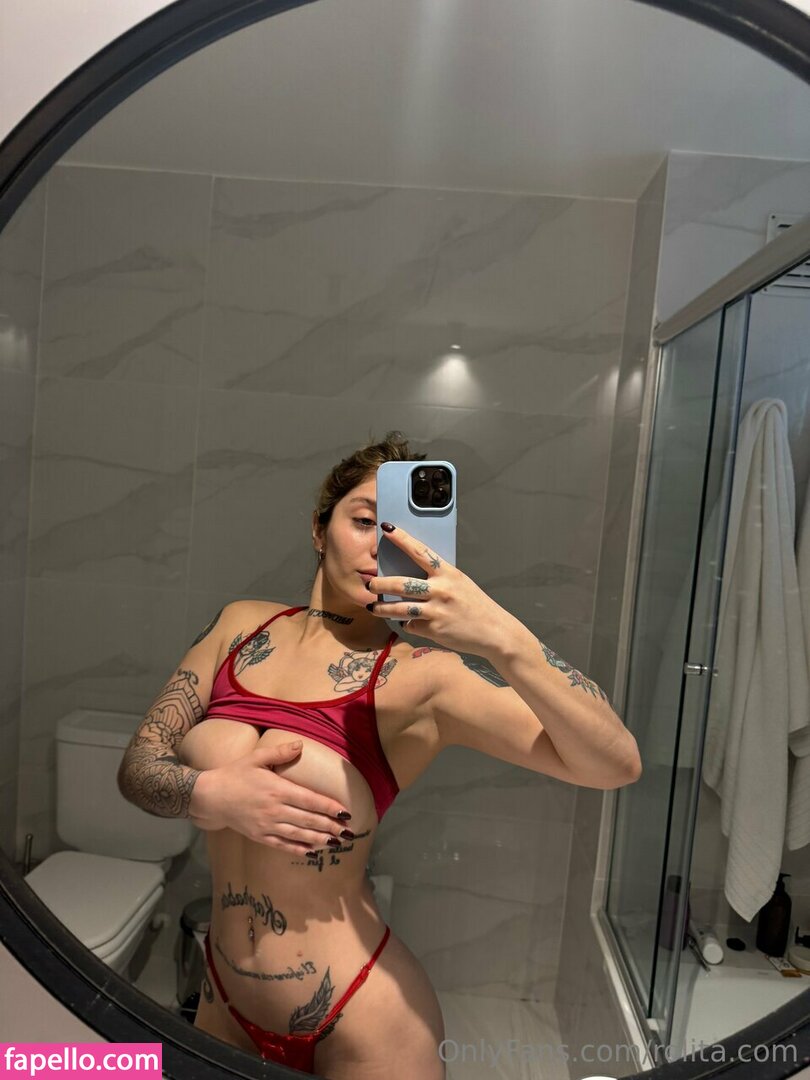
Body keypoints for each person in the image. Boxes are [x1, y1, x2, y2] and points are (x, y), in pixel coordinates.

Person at [118, 430, 641, 1079]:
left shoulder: (424, 677)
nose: (380, 545)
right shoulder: (239, 626)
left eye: (403, 530)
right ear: (319, 529)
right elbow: (137, 767)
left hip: (364, 1019)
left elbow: (614, 763)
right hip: (223, 1002)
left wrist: (500, 636)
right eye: (364, 520)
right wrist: (211, 793)